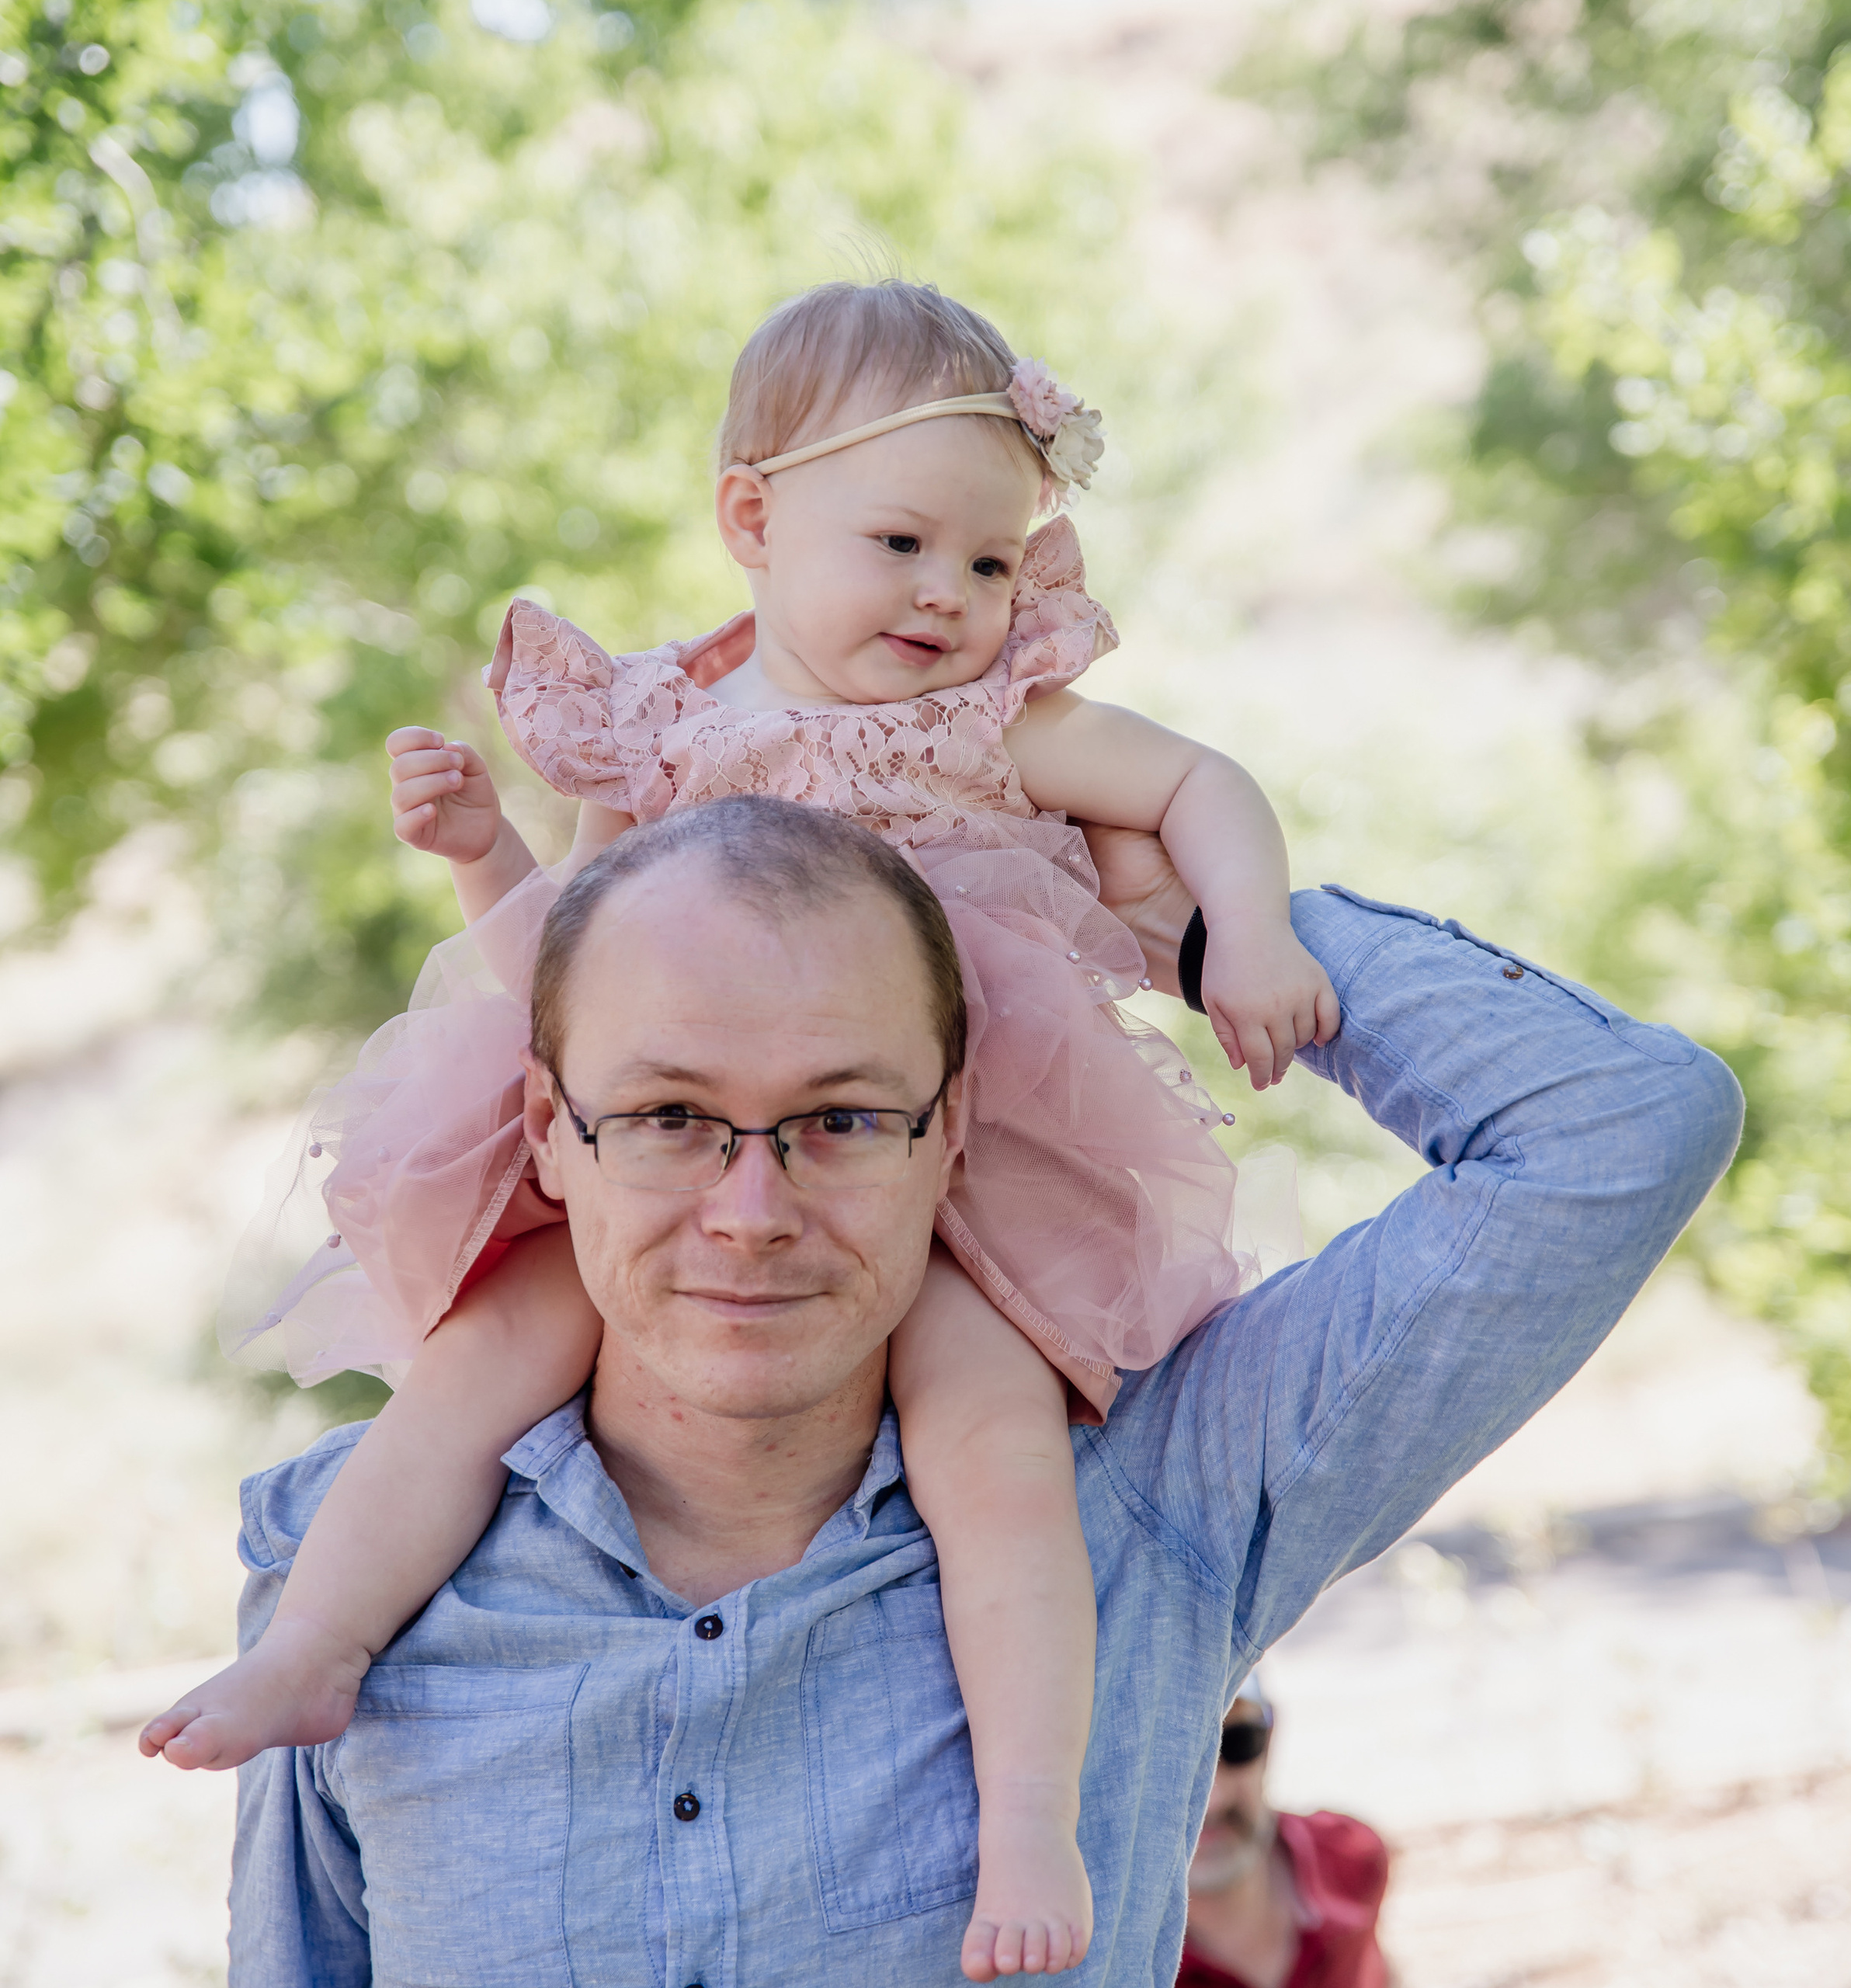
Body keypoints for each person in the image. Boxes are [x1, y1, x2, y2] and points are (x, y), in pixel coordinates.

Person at [148, 280, 1341, 1980]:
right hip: (692, 1164)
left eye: (994, 562)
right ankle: (319, 1643)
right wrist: (489, 854)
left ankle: (1025, 1815)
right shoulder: (654, 732)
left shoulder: (996, 726)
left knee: (994, 1452)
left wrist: (1256, 927)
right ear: (752, 519)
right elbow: (566, 990)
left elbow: (1201, 784)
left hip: (935, 1184)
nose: (951, 593)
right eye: (905, 541)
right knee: (482, 1357)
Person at [217, 794, 1740, 1984]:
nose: (751, 1210)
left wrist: (1197, 925)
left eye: (842, 1116)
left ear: (949, 1133)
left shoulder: (1152, 1502)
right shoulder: (343, 1577)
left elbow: (1618, 1126)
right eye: (671, 1114)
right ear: (550, 1129)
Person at [1178, 1679, 1387, 1988]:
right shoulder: (1105, 1957)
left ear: (1271, 1737)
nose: (1213, 1800)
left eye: (1238, 1743)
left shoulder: (1351, 1859)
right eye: (1173, 1764)